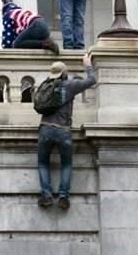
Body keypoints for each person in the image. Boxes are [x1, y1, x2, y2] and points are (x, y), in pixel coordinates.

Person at [37, 54, 97, 210]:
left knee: (43, 163)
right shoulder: (69, 85)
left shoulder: (44, 86)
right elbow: (92, 81)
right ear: (64, 73)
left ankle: (47, 195)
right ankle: (63, 196)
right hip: (63, 130)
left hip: (45, 128)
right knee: (66, 164)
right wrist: (88, 65)